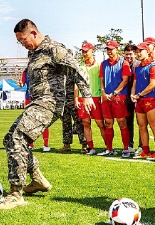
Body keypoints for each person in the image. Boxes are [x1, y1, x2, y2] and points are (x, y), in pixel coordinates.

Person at [0, 19, 94, 210]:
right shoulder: (33, 52)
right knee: (10, 138)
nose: (22, 44)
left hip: (50, 103)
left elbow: (78, 69)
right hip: (37, 102)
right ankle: (37, 179)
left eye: (22, 39)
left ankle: (15, 193)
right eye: (19, 41)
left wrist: (86, 95)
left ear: (33, 33)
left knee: (17, 137)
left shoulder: (54, 48)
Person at [97, 40, 131, 158]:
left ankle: (126, 149)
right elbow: (101, 80)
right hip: (106, 97)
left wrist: (115, 92)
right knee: (108, 123)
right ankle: (109, 149)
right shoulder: (103, 64)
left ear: (117, 49)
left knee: (122, 122)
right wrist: (103, 92)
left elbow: (125, 80)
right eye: (108, 49)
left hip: (119, 97)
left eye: (111, 49)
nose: (109, 51)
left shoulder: (124, 63)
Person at [131, 42, 155, 160]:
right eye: (137, 51)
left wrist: (139, 95)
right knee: (141, 126)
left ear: (147, 51)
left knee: (154, 126)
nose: (138, 53)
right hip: (139, 100)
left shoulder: (153, 66)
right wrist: (132, 94)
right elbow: (134, 83)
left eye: (140, 51)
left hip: (150, 99)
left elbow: (152, 85)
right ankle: (145, 151)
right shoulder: (137, 67)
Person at [74, 42, 106, 155]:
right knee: (86, 123)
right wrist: (76, 98)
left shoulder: (99, 65)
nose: (84, 53)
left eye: (86, 51)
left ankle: (108, 147)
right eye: (83, 51)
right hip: (83, 98)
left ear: (92, 51)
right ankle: (91, 147)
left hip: (96, 98)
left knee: (100, 123)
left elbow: (103, 82)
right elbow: (76, 84)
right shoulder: (79, 66)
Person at [58, 61, 87, 154]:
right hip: (63, 100)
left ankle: (84, 145)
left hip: (73, 99)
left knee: (79, 122)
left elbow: (79, 85)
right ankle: (67, 145)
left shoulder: (75, 70)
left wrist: (76, 99)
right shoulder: (59, 71)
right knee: (66, 123)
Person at [20, 68, 51, 152]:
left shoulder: (42, 70)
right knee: (29, 122)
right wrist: (20, 83)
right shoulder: (25, 72)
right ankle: (30, 145)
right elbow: (22, 84)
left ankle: (45, 144)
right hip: (29, 98)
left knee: (44, 121)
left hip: (41, 98)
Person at [124, 44, 140, 154]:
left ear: (135, 54)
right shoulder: (123, 65)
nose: (128, 56)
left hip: (138, 97)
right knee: (128, 122)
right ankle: (130, 144)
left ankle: (141, 145)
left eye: (131, 54)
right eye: (126, 54)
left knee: (141, 123)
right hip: (126, 98)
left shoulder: (139, 65)